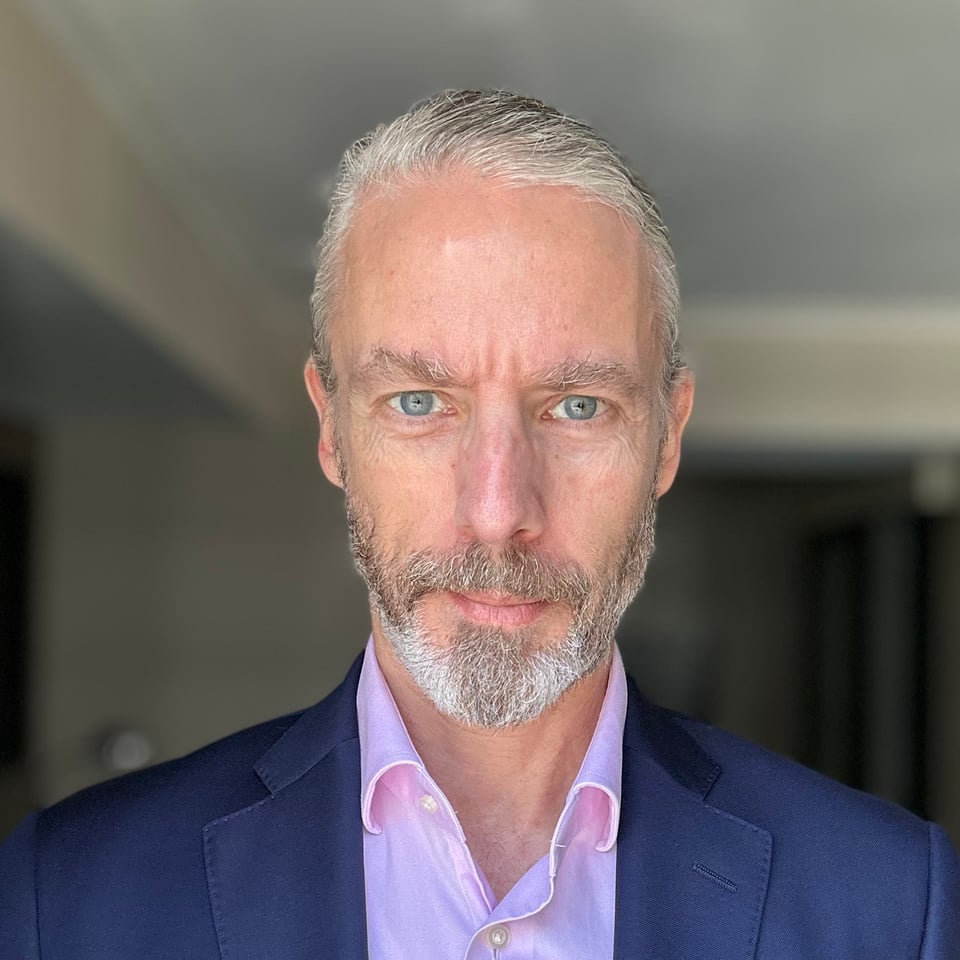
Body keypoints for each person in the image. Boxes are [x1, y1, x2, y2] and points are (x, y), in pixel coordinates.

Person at [1, 89, 957, 959]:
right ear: (332, 427)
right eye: (420, 402)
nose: (499, 513)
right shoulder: (70, 897)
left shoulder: (887, 905)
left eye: (577, 407)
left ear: (667, 439)